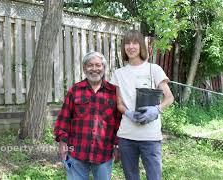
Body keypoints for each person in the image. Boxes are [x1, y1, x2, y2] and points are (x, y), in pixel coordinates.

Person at [110, 30, 174, 180]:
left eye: (135, 43)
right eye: (127, 43)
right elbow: (119, 103)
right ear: (123, 47)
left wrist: (156, 109)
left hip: (150, 137)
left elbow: (169, 98)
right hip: (126, 137)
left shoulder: (154, 69)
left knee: (154, 177)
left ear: (141, 46)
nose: (131, 46)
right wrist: (129, 114)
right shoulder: (118, 73)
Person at [54, 51, 121, 180]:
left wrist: (117, 145)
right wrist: (62, 142)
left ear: (103, 68)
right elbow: (64, 118)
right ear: (85, 68)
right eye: (90, 65)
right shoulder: (75, 90)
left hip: (104, 152)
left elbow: (119, 121)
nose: (94, 69)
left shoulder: (113, 92)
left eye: (98, 65)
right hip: (77, 151)